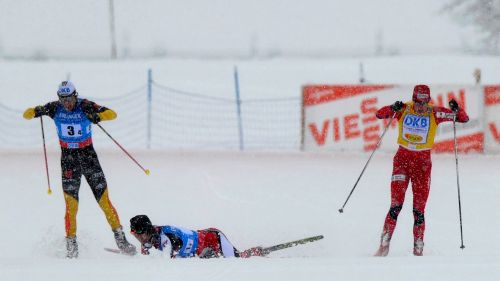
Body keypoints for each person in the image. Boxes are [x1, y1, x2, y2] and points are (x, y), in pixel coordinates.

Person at [23, 81, 136, 258]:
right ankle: (71, 247)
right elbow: (30, 113)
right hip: (69, 161)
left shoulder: (85, 105)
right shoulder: (54, 108)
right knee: (71, 207)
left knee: (104, 202)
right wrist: (34, 112)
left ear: (76, 95)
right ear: (59, 98)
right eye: (63, 99)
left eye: (70, 99)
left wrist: (97, 116)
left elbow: (112, 114)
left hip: (89, 158)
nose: (67, 103)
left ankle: (121, 241)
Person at [374, 84, 469, 257]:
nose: (420, 108)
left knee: (418, 211)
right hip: (402, 161)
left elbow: (463, 119)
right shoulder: (404, 109)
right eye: (418, 103)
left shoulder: (434, 112)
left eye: (424, 104)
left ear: (428, 101)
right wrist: (392, 108)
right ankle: (383, 246)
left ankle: (418, 250)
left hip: (423, 165)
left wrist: (457, 109)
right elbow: (380, 114)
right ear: (413, 100)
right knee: (396, 206)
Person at [129, 214, 264, 258]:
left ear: (147, 231)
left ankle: (256, 252)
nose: (139, 240)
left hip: (213, 238)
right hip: (203, 247)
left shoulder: (167, 238)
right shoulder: (150, 237)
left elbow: (166, 262)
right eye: (135, 236)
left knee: (237, 259)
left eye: (139, 235)